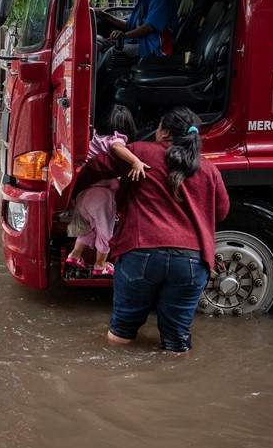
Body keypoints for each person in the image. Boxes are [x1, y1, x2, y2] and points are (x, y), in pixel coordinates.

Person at [73, 106, 229, 353]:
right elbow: (221, 212)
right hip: (191, 262)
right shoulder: (209, 170)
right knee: (177, 339)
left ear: (165, 132)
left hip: (140, 253)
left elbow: (96, 167)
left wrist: (73, 195)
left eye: (158, 128)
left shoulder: (139, 152)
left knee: (122, 331)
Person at [65, 105, 149, 277]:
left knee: (90, 228)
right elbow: (117, 147)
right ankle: (100, 264)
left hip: (83, 193)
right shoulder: (116, 138)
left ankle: (75, 255)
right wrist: (136, 161)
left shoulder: (95, 137)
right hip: (100, 195)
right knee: (105, 232)